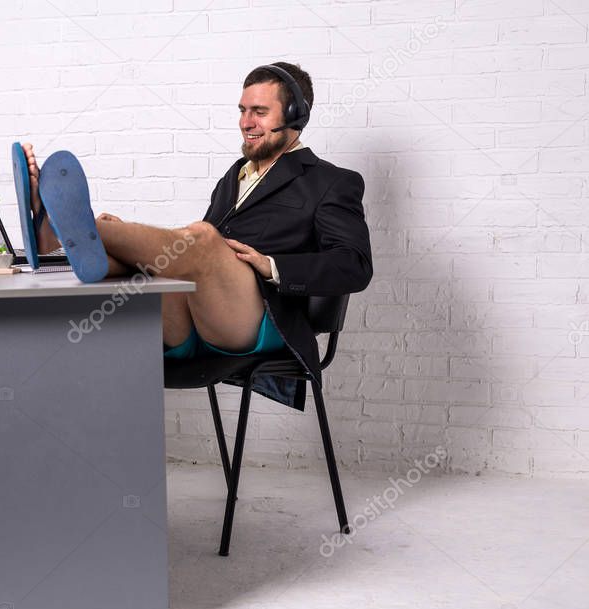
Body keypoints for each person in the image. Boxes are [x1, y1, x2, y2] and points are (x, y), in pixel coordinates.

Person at [19, 62, 372, 410]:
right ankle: (78, 237)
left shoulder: (330, 182)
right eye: (243, 110)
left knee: (201, 237)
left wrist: (271, 265)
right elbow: (192, 261)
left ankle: (67, 231)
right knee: (144, 264)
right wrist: (131, 241)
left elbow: (353, 264)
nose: (246, 122)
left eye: (260, 112)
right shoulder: (234, 177)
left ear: (295, 116)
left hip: (262, 322)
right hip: (193, 322)